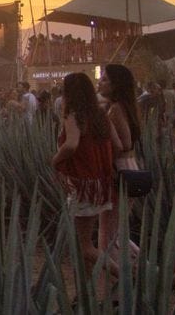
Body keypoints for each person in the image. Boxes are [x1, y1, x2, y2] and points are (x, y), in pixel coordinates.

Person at [52, 72, 122, 295]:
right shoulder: (101, 115)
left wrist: (54, 160)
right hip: (100, 185)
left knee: (84, 246)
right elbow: (118, 145)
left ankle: (125, 275)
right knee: (86, 243)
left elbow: (71, 145)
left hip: (83, 186)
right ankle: (86, 292)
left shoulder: (74, 115)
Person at [97, 64, 142, 256]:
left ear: (116, 85)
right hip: (130, 168)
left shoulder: (115, 109)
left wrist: (105, 126)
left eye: (105, 79)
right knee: (117, 233)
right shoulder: (126, 107)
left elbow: (125, 143)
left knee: (108, 236)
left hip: (120, 169)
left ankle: (136, 272)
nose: (100, 82)